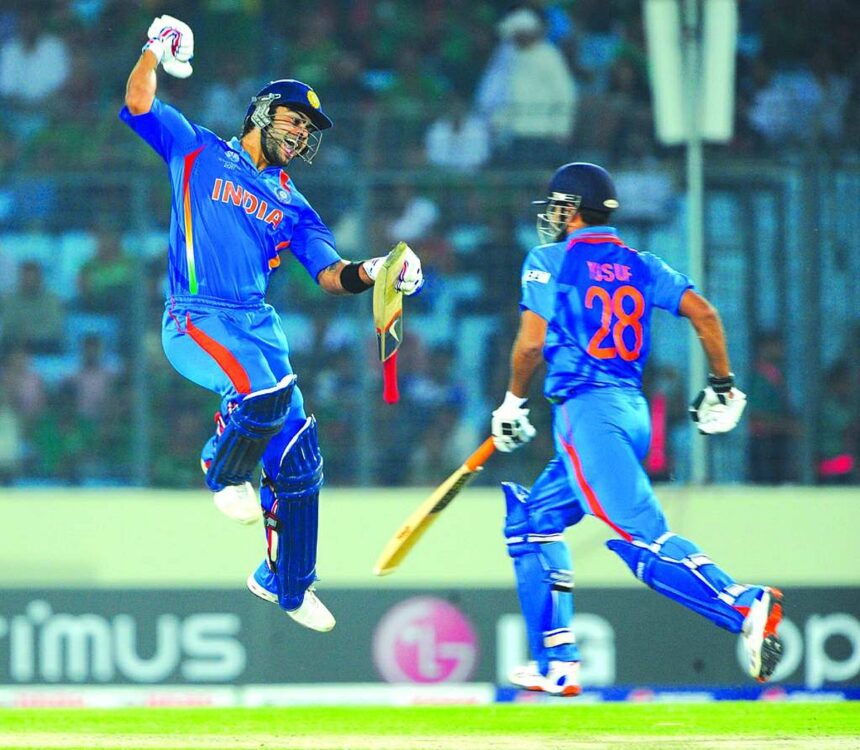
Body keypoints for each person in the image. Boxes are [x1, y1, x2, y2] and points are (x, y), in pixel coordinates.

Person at [120, 15, 424, 632]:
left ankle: (285, 584)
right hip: (196, 318)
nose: (301, 134)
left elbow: (332, 274)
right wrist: (153, 53)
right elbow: (137, 103)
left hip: (257, 327)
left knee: (300, 456)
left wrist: (380, 270)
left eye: (308, 129)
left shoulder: (294, 202)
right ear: (261, 113)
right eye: (294, 120)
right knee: (264, 394)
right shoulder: (197, 147)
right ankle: (221, 468)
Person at [489, 162, 784, 695]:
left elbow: (532, 344)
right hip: (630, 409)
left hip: (588, 413)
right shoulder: (641, 264)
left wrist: (511, 402)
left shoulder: (549, 260)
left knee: (643, 536)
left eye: (558, 207)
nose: (553, 218)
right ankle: (557, 662)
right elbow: (707, 315)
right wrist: (722, 384)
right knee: (531, 522)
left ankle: (741, 603)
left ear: (571, 210)